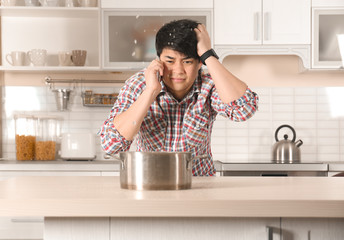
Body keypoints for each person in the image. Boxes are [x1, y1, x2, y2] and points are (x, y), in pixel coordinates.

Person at [98, 19, 259, 176]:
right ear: (158, 60)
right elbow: (111, 145)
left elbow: (244, 110)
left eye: (187, 62)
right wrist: (150, 91)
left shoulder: (209, 85)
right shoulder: (139, 84)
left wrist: (208, 54)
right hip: (150, 185)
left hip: (200, 187)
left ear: (199, 63)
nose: (178, 70)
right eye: (170, 61)